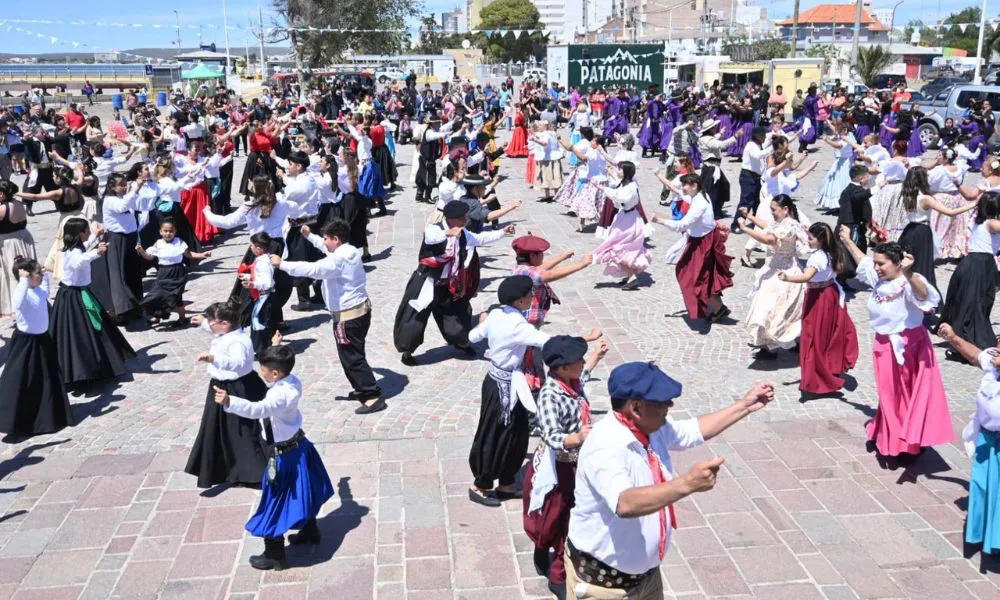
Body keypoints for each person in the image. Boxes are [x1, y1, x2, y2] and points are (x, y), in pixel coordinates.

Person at [566, 362, 774, 599]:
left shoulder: (651, 427)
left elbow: (693, 431)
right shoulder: (604, 445)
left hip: (647, 578)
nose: (670, 405)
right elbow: (625, 503)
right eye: (662, 401)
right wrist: (687, 484)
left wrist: (744, 406)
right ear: (636, 407)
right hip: (604, 588)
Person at [467, 275, 601, 507]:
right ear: (520, 300)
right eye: (530, 294)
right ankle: (480, 485)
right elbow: (549, 342)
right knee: (494, 433)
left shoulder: (497, 314)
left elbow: (473, 336)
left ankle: (507, 484)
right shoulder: (517, 326)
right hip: (502, 388)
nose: (533, 297)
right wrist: (586, 338)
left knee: (517, 432)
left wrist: (483, 322)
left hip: (504, 381)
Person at [213, 342, 334, 571]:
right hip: (299, 447)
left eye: (264, 369)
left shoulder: (279, 395)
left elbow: (258, 410)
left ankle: (274, 554)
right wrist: (277, 348)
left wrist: (229, 401)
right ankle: (310, 530)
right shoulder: (292, 380)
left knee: (275, 502)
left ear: (276, 373)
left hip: (283, 457)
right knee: (304, 490)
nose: (261, 373)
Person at [838, 230, 954, 460]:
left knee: (906, 396)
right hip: (884, 346)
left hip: (910, 347)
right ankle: (891, 437)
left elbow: (925, 297)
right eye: (876, 263)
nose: (877, 267)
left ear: (898, 263)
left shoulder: (909, 281)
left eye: (881, 264)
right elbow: (863, 262)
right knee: (889, 394)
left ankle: (908, 444)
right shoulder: (879, 279)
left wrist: (909, 273)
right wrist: (847, 241)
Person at [523, 335, 608, 597]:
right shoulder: (550, 395)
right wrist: (578, 438)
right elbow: (551, 435)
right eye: (577, 361)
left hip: (579, 464)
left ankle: (553, 562)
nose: (582, 363)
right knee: (560, 519)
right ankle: (555, 573)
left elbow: (584, 375)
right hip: (561, 468)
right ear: (561, 368)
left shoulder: (571, 381)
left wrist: (596, 356)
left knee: (570, 520)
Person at [272, 219, 385, 414]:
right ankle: (361, 386)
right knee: (354, 352)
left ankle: (371, 394)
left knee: (352, 357)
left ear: (336, 239)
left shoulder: (338, 260)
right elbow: (327, 250)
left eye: (326, 238)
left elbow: (313, 269)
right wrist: (310, 236)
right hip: (360, 311)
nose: (324, 242)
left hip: (348, 317)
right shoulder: (349, 251)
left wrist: (282, 264)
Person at [393, 200, 514, 365]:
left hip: (448, 284)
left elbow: (479, 239)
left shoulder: (463, 233)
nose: (466, 220)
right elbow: (431, 238)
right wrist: (448, 233)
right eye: (462, 217)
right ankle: (407, 351)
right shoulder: (434, 229)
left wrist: (502, 232)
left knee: (458, 313)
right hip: (426, 281)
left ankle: (461, 342)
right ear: (452, 219)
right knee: (415, 316)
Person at [184, 300, 269, 488]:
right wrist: (203, 322)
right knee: (220, 430)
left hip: (237, 389)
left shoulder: (239, 342)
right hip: (220, 386)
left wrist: (213, 358)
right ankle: (226, 469)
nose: (209, 323)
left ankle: (251, 473)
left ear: (224, 323)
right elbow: (217, 330)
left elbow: (238, 362)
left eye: (211, 320)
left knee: (242, 431)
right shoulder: (228, 331)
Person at [937, 322, 1000, 554]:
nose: (996, 351)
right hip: (987, 440)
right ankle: (984, 534)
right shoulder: (993, 364)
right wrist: (953, 338)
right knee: (981, 486)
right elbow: (975, 355)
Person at [49, 217, 135, 386]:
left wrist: (96, 238)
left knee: (97, 326)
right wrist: (97, 252)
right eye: (87, 230)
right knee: (83, 331)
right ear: (80, 233)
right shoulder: (73, 252)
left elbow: (85, 249)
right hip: (73, 297)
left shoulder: (76, 247)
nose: (89, 232)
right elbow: (78, 261)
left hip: (79, 293)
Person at [777, 223, 858, 396]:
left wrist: (787, 277)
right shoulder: (832, 252)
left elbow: (806, 276)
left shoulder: (817, 258)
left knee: (813, 337)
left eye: (811, 238)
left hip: (819, 298)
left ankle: (818, 379)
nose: (808, 240)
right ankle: (827, 368)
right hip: (830, 294)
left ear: (820, 239)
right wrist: (807, 230)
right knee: (827, 335)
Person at [0, 258, 73, 436]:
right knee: (23, 380)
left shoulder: (37, 290)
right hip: (26, 344)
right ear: (27, 276)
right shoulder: (22, 292)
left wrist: (45, 277)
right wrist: (23, 280)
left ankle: (49, 416)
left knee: (47, 379)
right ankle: (19, 419)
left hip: (43, 340)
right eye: (38, 273)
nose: (41, 274)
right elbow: (17, 304)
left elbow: (45, 294)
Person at [511, 234, 593, 392]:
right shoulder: (527, 273)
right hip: (526, 330)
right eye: (541, 254)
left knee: (533, 362)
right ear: (533, 256)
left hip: (529, 328)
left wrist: (562, 257)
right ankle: (533, 392)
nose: (543, 257)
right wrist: (581, 264)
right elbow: (548, 275)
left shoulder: (523, 269)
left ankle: (531, 386)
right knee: (532, 365)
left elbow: (541, 268)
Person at [651, 174, 733, 323]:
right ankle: (718, 308)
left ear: (694, 186)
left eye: (685, 185)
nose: (682, 188)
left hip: (703, 243)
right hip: (701, 240)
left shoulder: (700, 203)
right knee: (701, 276)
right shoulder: (700, 195)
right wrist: (661, 177)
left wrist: (660, 220)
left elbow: (681, 225)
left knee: (695, 278)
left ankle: (717, 308)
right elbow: (681, 194)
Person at [939, 191, 1000, 361]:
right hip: (979, 265)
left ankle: (964, 343)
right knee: (975, 306)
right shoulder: (991, 223)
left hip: (972, 264)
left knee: (971, 304)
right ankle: (970, 345)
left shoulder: (979, 222)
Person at [897, 166, 976, 290]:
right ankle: (923, 290)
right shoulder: (926, 198)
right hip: (922, 231)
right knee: (923, 263)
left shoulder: (907, 195)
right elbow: (950, 212)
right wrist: (973, 204)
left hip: (909, 230)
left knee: (909, 262)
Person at [135, 218, 212, 328]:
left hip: (177, 272)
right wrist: (141, 251)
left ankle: (182, 318)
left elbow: (189, 254)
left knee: (176, 296)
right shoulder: (158, 243)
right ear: (161, 232)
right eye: (165, 231)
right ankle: (157, 316)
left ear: (175, 232)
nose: (168, 233)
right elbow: (149, 257)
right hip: (163, 272)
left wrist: (202, 255)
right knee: (157, 294)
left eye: (171, 231)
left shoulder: (179, 242)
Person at [592, 161, 651, 290]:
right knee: (623, 248)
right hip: (626, 217)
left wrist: (601, 188)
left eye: (620, 170)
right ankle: (630, 275)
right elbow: (617, 199)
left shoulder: (630, 187)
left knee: (616, 248)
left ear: (626, 172)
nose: (618, 171)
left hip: (629, 220)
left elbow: (620, 197)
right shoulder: (625, 184)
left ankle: (632, 277)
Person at [0, 181, 35, 317]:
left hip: (9, 243)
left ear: (2, 194)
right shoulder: (19, 204)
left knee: (11, 274)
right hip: (24, 239)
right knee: (25, 271)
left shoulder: (3, 209)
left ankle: (17, 306)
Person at [836, 165, 873, 278]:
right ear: (861, 178)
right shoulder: (854, 191)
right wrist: (877, 188)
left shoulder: (849, 190)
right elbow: (858, 197)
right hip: (852, 228)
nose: (869, 179)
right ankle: (844, 276)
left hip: (855, 226)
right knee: (850, 252)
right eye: (867, 177)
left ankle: (846, 276)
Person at [732, 127, 771, 233]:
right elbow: (758, 155)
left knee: (757, 202)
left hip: (757, 177)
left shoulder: (759, 145)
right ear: (758, 136)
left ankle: (757, 222)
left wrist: (774, 138)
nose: (765, 138)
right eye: (763, 136)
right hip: (748, 177)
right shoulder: (751, 145)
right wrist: (772, 148)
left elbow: (767, 142)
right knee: (746, 202)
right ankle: (737, 224)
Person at [814, 122, 856, 212]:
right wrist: (829, 123)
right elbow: (836, 130)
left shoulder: (845, 140)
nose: (838, 133)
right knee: (832, 181)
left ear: (844, 130)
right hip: (844, 161)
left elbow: (837, 145)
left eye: (840, 131)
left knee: (838, 183)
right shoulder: (850, 135)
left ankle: (841, 203)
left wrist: (827, 140)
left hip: (843, 164)